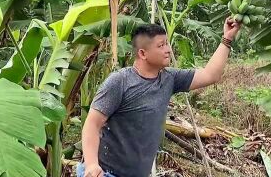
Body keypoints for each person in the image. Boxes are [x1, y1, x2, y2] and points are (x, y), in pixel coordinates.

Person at [77, 18, 241, 177]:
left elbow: (210, 75)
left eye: (167, 43)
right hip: (105, 173)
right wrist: (92, 164)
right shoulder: (119, 82)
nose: (168, 49)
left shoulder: (170, 78)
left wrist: (227, 38)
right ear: (143, 53)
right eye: (161, 45)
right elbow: (92, 123)